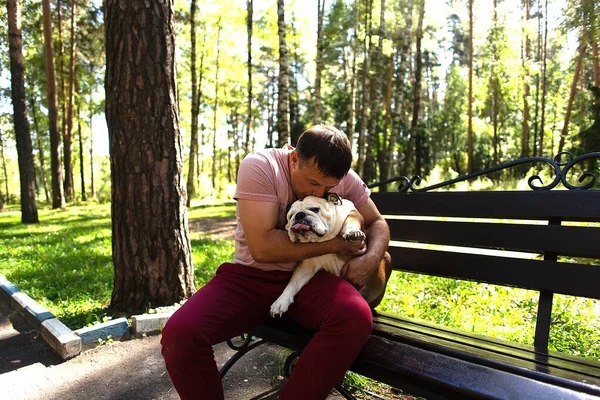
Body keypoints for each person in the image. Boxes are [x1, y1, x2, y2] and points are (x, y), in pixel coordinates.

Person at [161, 124, 391, 400]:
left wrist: (370, 259)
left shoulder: (340, 176)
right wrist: (336, 244)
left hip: (312, 278)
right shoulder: (260, 166)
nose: (319, 193)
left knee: (354, 317)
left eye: (329, 187)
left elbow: (377, 221)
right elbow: (263, 248)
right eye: (314, 183)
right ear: (294, 158)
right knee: (180, 334)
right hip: (251, 277)